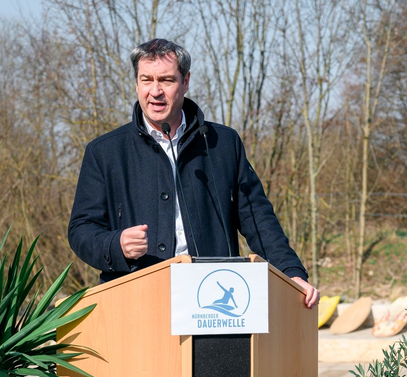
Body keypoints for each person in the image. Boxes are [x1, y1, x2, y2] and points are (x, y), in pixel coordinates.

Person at [68, 38, 319, 308]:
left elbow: (258, 218)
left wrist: (291, 272)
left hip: (210, 302)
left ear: (185, 82)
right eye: (146, 80)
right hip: (135, 302)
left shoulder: (224, 144)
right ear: (136, 83)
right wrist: (114, 245)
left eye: (166, 80)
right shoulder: (104, 152)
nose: (155, 91)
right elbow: (81, 230)